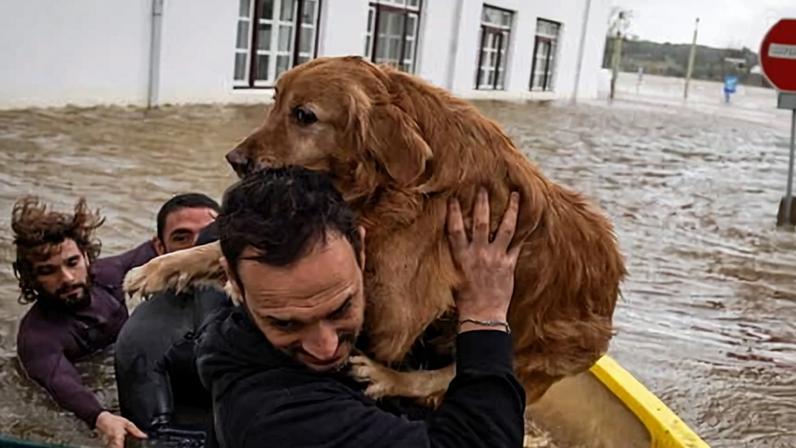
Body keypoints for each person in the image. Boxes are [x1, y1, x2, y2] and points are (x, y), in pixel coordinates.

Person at [196, 167, 526, 447]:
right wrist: (485, 314)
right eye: (286, 324)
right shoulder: (273, 418)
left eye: (340, 309)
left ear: (363, 251)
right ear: (234, 283)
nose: (324, 349)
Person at [11, 197, 158, 447]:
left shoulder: (110, 276)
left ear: (86, 258)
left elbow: (157, 250)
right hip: (88, 383)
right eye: (48, 271)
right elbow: (63, 385)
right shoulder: (38, 337)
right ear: (30, 278)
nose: (67, 278)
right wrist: (101, 418)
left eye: (72, 262)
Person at [114, 194, 224, 441]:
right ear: (161, 249)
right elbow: (150, 435)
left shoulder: (270, 302)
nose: (197, 248)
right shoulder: (143, 333)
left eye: (210, 235)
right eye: (182, 237)